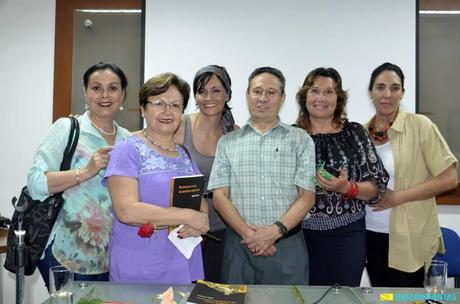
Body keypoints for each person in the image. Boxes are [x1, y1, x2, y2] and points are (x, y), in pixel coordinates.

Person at [27, 61, 132, 288]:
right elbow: (36, 183)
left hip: (113, 259)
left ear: (123, 94)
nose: (105, 95)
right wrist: (86, 171)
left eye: (113, 88)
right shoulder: (67, 128)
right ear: (85, 93)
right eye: (96, 88)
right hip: (66, 254)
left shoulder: (129, 140)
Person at [208, 67, 316, 285]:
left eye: (271, 92)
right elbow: (219, 197)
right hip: (238, 247)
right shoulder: (228, 142)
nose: (263, 98)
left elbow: (307, 196)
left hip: (287, 246)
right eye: (257, 91)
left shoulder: (300, 140)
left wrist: (274, 232)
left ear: (282, 98)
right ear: (247, 95)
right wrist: (250, 235)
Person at [104, 72, 209, 284]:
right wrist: (188, 217)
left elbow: (199, 201)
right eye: (159, 103)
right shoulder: (128, 149)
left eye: (175, 105)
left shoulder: (184, 153)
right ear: (143, 108)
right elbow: (127, 210)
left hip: (183, 260)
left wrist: (203, 220)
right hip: (140, 264)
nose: (167, 111)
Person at [364, 62, 458, 287]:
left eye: (395, 88)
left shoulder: (420, 126)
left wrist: (397, 197)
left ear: (402, 93)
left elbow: (449, 178)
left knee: (405, 299)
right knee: (382, 298)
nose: (387, 94)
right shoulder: (361, 132)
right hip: (368, 234)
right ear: (371, 92)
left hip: (408, 237)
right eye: (380, 87)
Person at [295, 67, 388, 287]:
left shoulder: (354, 133)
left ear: (339, 98)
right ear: (304, 97)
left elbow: (377, 187)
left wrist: (347, 187)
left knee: (344, 297)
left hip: (347, 238)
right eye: (315, 91)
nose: (321, 98)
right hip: (300, 238)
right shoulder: (291, 136)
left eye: (329, 92)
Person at [174, 65, 238, 283]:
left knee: (214, 294)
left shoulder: (235, 134)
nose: (208, 97)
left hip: (222, 232)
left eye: (216, 90)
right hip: (182, 230)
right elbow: (147, 140)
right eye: (201, 91)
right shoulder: (179, 126)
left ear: (228, 94)